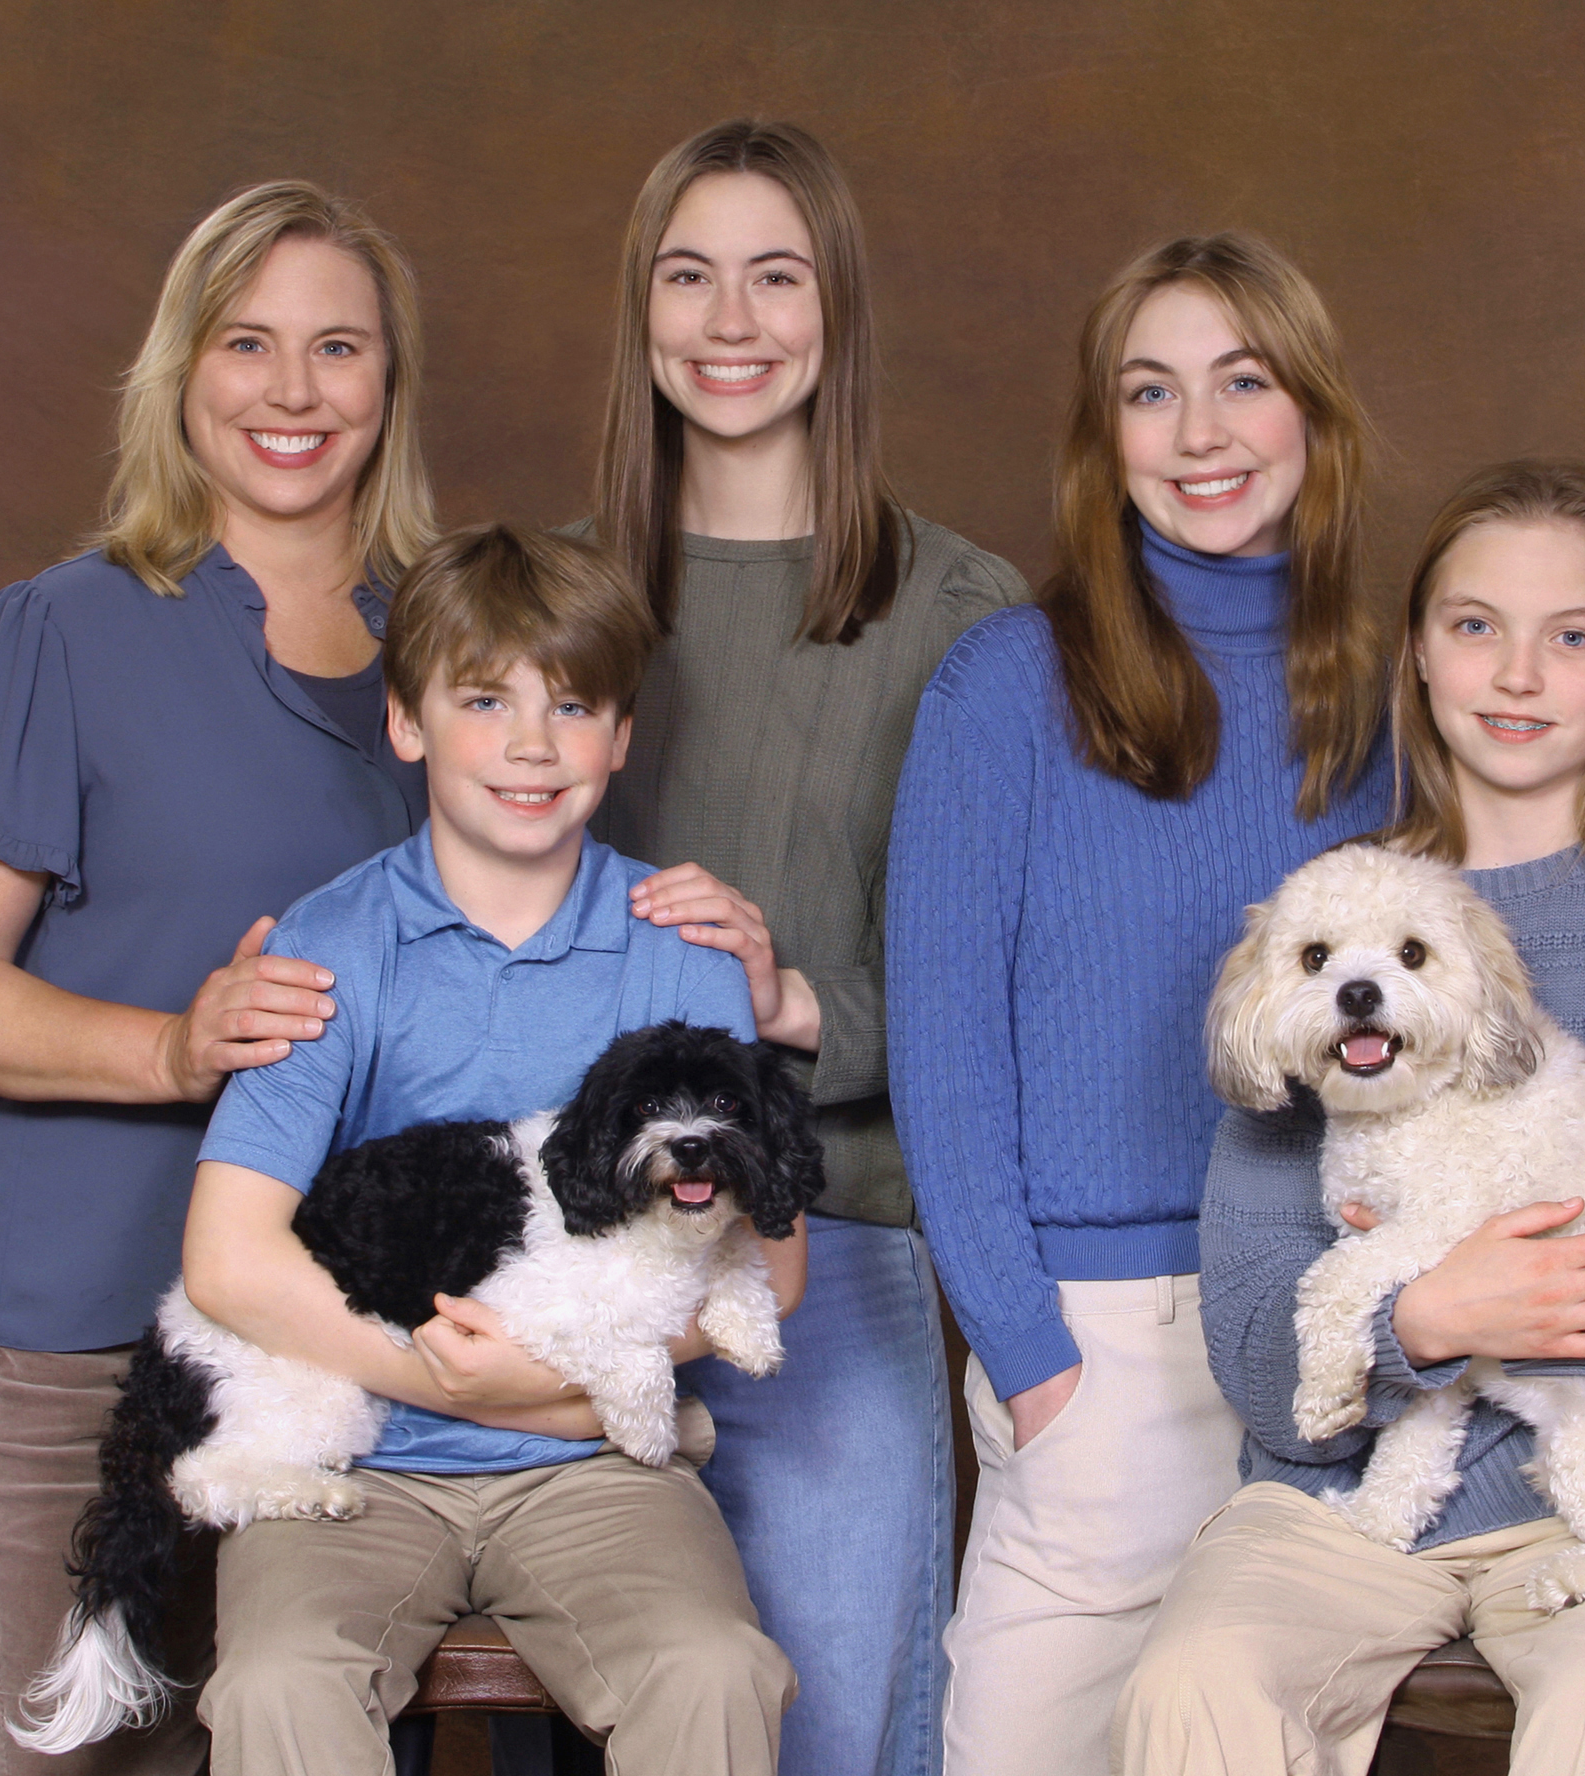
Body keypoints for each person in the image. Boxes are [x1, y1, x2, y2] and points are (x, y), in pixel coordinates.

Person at [1116, 459, 1585, 1776]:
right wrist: (1427, 1320)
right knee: (1192, 1683)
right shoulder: (1329, 928)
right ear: (1415, 652)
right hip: (1343, 1504)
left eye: (1569, 637)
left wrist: (1536, 1302)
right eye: (1475, 627)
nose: (1517, 676)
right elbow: (1255, 1351)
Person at [0, 180, 437, 1776]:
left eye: (339, 347)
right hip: (77, 1339)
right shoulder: (61, 632)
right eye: (246, 343)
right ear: (180, 370)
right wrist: (173, 1047)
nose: (294, 391)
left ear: (390, 384)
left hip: (348, 1355)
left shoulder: (456, 652)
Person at [887, 232, 1395, 1776]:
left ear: (1312, 413)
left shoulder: (1383, 702)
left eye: (1243, 383)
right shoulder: (1004, 689)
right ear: (1103, 438)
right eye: (1151, 392)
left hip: (1330, 1319)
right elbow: (945, 1052)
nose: (1201, 435)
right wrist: (1030, 1356)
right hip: (1102, 1337)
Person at [184, 522, 799, 1774]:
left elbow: (771, 1275)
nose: (531, 745)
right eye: (485, 701)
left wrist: (560, 1401)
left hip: (599, 1470)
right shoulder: (334, 941)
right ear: (408, 723)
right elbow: (228, 1259)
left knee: (715, 1669)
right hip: (363, 1449)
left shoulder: (678, 949)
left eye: (573, 707)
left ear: (622, 738)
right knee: (278, 1681)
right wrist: (468, 1379)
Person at [571, 117, 1029, 1776]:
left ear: (836, 309)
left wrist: (791, 1003)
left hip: (835, 1251)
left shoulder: (957, 613)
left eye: (776, 276)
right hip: (583, 1266)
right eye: (687, 277)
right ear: (641, 313)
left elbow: (1002, 999)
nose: (731, 319)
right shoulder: (560, 603)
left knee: (836, 1739)